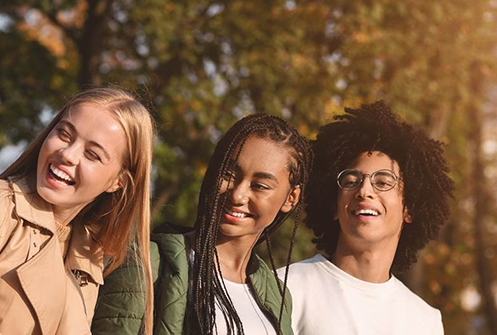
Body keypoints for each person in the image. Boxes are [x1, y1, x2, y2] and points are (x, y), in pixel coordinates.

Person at [0, 87, 155, 335]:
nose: (67, 154)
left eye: (92, 154)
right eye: (64, 134)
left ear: (118, 182)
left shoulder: (90, 253)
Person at [93, 113, 310, 335]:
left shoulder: (278, 296)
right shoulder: (146, 264)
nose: (238, 195)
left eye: (260, 186)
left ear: (290, 198)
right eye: (229, 174)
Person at [277, 102, 454, 334]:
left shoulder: (426, 320)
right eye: (351, 181)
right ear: (334, 205)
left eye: (383, 182)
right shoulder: (286, 288)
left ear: (409, 208)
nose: (364, 191)